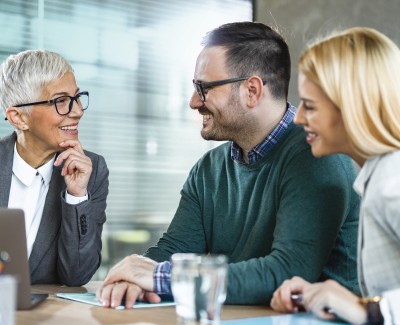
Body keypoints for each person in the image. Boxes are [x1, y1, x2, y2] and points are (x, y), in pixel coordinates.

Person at [97, 21, 360, 308]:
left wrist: (161, 277)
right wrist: (132, 277)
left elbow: (288, 272)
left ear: (252, 91)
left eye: (204, 88)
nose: (193, 101)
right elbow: (174, 250)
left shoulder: (318, 156)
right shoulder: (208, 169)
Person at [271, 27, 400, 325]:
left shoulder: (391, 182)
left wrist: (369, 311)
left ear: (354, 108)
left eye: (310, 106)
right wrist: (333, 297)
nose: (299, 118)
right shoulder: (379, 175)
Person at [0, 49, 109, 285]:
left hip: (46, 317)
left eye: (77, 98)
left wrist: (76, 196)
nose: (78, 111)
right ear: (19, 118)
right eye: (61, 101)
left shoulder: (92, 170)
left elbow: (77, 275)